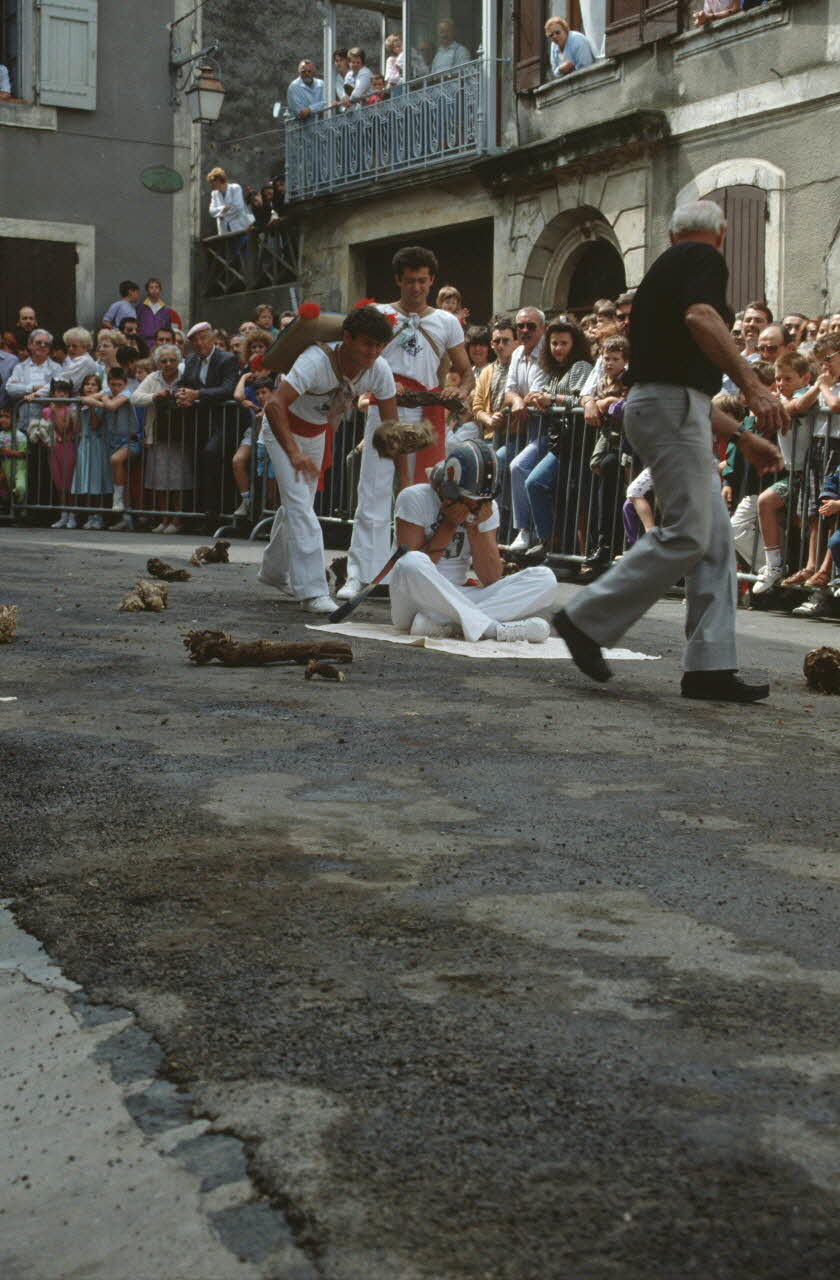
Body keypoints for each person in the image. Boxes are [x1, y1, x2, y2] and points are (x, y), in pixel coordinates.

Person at [554, 199, 786, 702]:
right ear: (719, 236)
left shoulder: (664, 271)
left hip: (669, 405)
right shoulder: (701, 260)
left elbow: (681, 385)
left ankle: (710, 666)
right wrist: (753, 388)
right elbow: (702, 317)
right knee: (688, 532)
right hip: (667, 407)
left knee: (715, 538)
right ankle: (584, 619)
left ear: (669, 233)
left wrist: (742, 435)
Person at [339, 245, 473, 599]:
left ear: (432, 281)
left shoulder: (446, 322)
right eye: (410, 280)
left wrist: (457, 393)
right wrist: (381, 381)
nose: (416, 287)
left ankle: (416, 573)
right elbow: (357, 357)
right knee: (374, 491)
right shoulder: (379, 315)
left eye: (423, 281)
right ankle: (360, 574)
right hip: (386, 411)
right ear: (398, 280)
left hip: (427, 415)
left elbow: (466, 373)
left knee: (422, 493)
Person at [258, 305, 398, 612]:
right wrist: (293, 453)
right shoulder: (316, 360)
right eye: (366, 344)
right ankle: (313, 592)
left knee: (299, 506)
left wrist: (403, 474)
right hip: (281, 429)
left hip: (316, 432)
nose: (372, 352)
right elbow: (273, 406)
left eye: (378, 346)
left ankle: (273, 570)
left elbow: (391, 426)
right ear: (346, 338)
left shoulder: (379, 369)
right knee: (299, 506)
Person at [390, 439, 557, 642]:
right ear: (450, 491)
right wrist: (449, 525)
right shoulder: (414, 497)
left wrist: (475, 526)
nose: (476, 506)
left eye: (481, 501)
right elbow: (410, 570)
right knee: (411, 561)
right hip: (414, 603)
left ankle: (447, 626)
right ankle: (494, 629)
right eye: (471, 499)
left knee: (545, 578)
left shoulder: (486, 507)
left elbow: (490, 578)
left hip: (458, 599)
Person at [524, 319, 595, 562]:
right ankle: (551, 543)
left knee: (543, 485)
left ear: (574, 344)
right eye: (554, 343)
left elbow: (581, 400)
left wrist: (550, 399)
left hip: (578, 444)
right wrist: (538, 398)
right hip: (560, 443)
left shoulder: (581, 367)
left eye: (563, 343)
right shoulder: (555, 371)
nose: (558, 348)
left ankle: (556, 547)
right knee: (539, 485)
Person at [751, 351, 819, 594]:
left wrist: (819, 386)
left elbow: (798, 405)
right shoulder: (780, 396)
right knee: (769, 504)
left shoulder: (807, 394)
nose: (781, 383)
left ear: (805, 378)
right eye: (778, 379)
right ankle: (775, 565)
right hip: (791, 472)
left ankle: (799, 571)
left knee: (804, 521)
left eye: (787, 378)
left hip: (806, 471)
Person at [175, 321, 240, 531]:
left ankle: (216, 515)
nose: (200, 343)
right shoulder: (192, 361)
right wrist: (180, 393)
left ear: (212, 338)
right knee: (199, 465)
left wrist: (198, 395)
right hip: (199, 424)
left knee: (212, 458)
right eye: (195, 340)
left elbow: (228, 389)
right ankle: (202, 514)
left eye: (203, 338)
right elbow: (182, 382)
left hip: (222, 424)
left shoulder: (227, 359)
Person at [501, 307, 548, 551]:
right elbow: (510, 390)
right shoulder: (518, 352)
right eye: (521, 326)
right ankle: (500, 529)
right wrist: (517, 400)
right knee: (498, 460)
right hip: (528, 429)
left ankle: (525, 530)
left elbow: (535, 394)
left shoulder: (546, 352)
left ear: (542, 328)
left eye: (531, 326)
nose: (525, 331)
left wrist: (522, 399)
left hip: (548, 429)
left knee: (518, 466)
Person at [131, 344, 192, 533]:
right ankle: (164, 519)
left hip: (180, 434)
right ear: (158, 363)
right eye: (163, 361)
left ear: (178, 361)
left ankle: (178, 519)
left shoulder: (185, 375)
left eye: (172, 360)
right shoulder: (153, 377)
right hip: (157, 434)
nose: (168, 364)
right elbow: (135, 397)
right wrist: (155, 396)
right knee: (159, 479)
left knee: (178, 478)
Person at [73, 373, 111, 528]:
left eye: (94, 384)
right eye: (87, 384)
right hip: (84, 444)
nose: (90, 387)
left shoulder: (100, 404)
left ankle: (99, 515)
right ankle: (90, 515)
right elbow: (77, 428)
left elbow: (95, 424)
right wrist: (78, 409)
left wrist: (91, 406)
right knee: (87, 480)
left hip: (97, 443)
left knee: (97, 480)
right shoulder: (79, 403)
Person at [5, 330, 64, 430]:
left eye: (46, 344)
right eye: (38, 342)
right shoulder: (20, 368)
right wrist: (33, 388)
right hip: (24, 424)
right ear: (30, 345)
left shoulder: (57, 368)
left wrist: (25, 389)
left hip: (49, 426)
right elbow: (10, 388)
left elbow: (58, 390)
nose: (42, 345)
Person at [473, 319, 516, 440]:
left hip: (514, 436)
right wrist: (489, 420)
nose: (501, 345)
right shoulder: (486, 372)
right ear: (492, 344)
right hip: (490, 436)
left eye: (506, 340)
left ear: (515, 343)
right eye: (497, 341)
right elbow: (477, 408)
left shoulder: (520, 367)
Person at [136, 278, 181, 348]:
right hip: (144, 342)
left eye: (156, 287)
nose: (154, 290)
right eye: (151, 287)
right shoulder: (141, 307)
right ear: (147, 290)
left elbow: (168, 327)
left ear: (160, 290)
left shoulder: (165, 309)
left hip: (161, 343)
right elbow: (137, 324)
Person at [207, 167, 253, 234]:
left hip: (239, 227)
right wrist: (223, 208)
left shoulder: (235, 188)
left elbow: (238, 207)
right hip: (224, 230)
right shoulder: (214, 194)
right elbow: (211, 211)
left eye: (212, 182)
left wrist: (221, 214)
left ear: (219, 180)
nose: (211, 185)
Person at [61, 327, 99, 391]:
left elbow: (64, 384)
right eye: (68, 346)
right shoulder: (74, 361)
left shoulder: (85, 361)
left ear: (85, 347)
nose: (70, 349)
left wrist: (39, 391)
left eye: (74, 346)